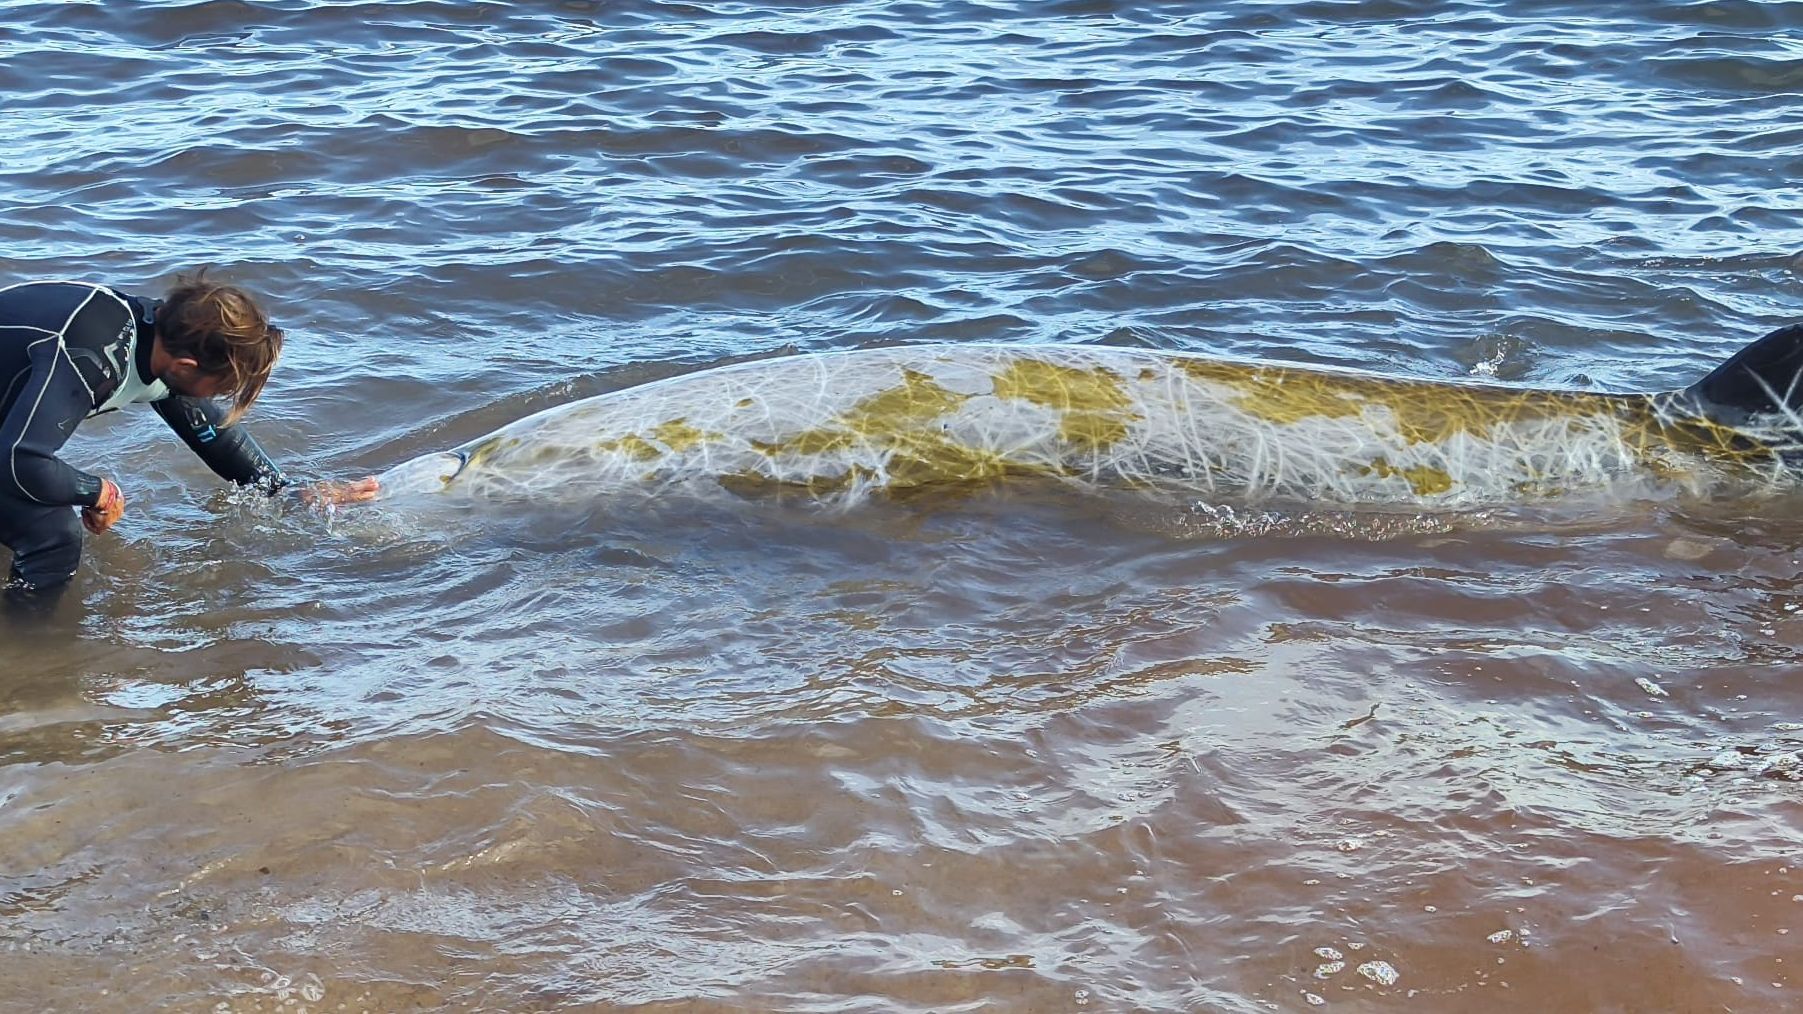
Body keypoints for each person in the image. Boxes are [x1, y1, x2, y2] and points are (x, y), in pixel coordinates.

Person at [0, 273, 378, 604]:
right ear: (186, 368)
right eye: (220, 388)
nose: (213, 398)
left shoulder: (155, 337)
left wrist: (289, 492)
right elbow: (21, 460)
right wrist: (98, 491)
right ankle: (32, 663)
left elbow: (214, 436)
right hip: (11, 452)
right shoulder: (93, 355)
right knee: (53, 534)